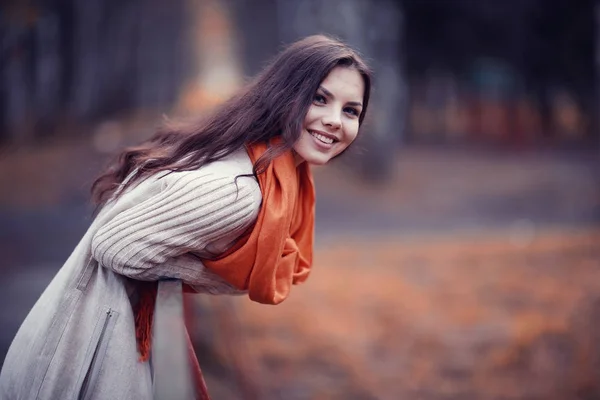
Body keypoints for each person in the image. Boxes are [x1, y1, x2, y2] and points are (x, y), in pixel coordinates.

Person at [0, 34, 372, 399]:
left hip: (87, 336)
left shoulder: (268, 167)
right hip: (75, 355)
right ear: (285, 95)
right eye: (319, 99)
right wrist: (213, 276)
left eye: (350, 110)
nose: (334, 120)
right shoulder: (241, 189)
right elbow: (115, 247)